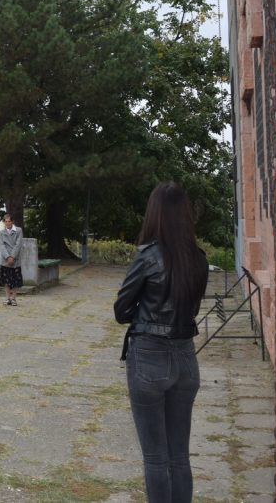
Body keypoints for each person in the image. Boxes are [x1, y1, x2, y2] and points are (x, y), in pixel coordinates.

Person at [114, 182, 209, 503]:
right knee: (179, 456)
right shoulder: (198, 259)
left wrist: (145, 314)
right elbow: (191, 309)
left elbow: (121, 309)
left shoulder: (148, 256)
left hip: (150, 355)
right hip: (186, 358)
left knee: (156, 457)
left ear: (154, 213)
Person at [0, 213, 23, 306]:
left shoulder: (19, 230)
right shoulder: (1, 232)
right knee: (6, 280)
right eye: (6, 221)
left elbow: (18, 244)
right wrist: (8, 257)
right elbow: (2, 245)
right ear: (4, 222)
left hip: (15, 259)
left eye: (9, 221)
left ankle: (14, 299)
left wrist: (12, 256)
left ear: (12, 221)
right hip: (6, 259)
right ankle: (7, 298)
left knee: (15, 280)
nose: (7, 223)